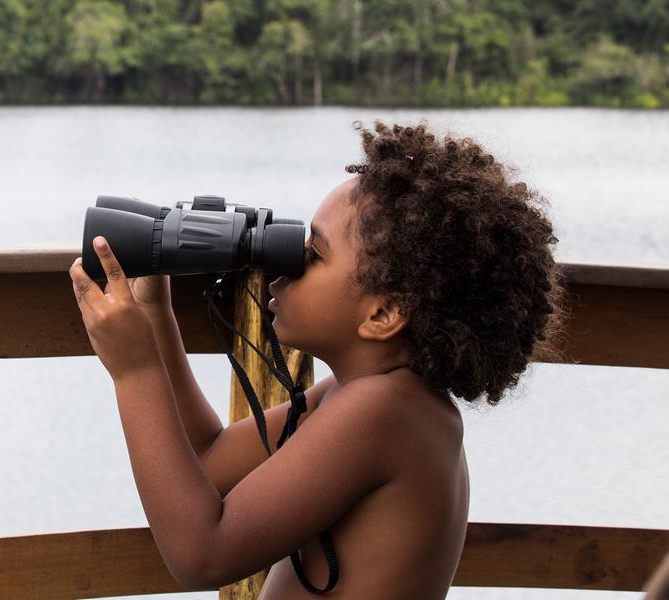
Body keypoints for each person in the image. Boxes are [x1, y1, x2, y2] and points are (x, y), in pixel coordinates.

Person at [68, 120, 565, 599]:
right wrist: (156, 314)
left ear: (384, 312)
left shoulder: (384, 412)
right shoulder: (372, 395)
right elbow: (210, 458)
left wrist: (135, 371)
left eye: (315, 253)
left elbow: (201, 555)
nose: (286, 264)